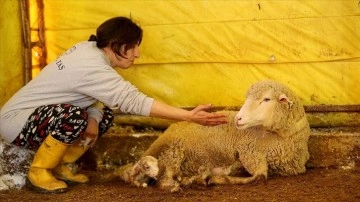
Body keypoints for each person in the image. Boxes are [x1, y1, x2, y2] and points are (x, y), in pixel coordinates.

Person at [0, 16, 227, 194]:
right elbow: (132, 100)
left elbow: (82, 91)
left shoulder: (88, 49)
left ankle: (59, 164)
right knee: (72, 116)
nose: (137, 54)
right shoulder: (92, 66)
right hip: (17, 123)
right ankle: (39, 171)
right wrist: (186, 116)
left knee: (102, 115)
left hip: (38, 117)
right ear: (114, 45)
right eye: (133, 47)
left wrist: (94, 117)